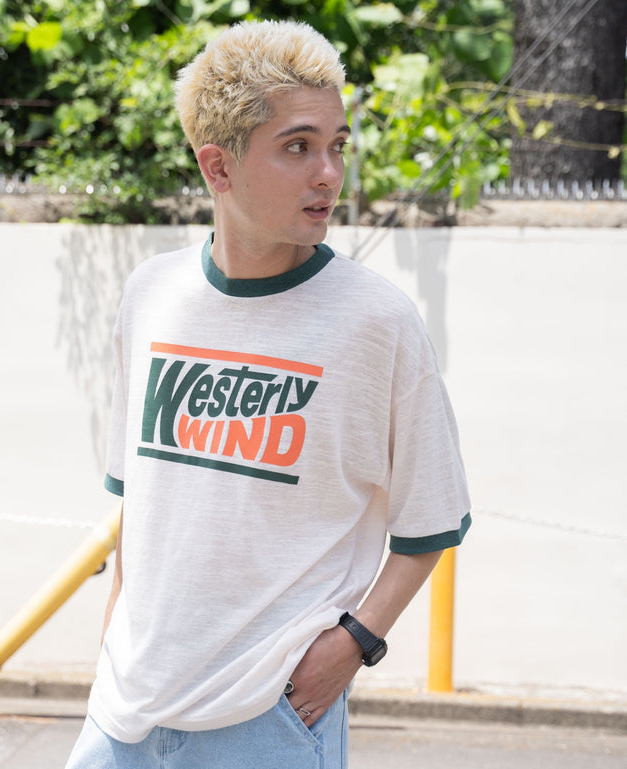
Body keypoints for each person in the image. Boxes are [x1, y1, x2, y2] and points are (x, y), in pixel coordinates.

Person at [65, 18, 471, 769]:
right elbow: (141, 510)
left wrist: (354, 644)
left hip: (268, 719)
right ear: (217, 167)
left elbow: (432, 523)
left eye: (337, 145)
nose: (329, 173)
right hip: (121, 718)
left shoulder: (377, 322)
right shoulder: (150, 294)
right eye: (298, 147)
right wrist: (109, 651)